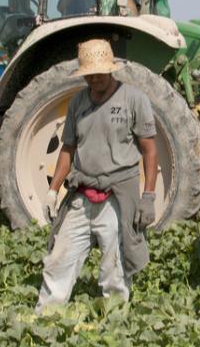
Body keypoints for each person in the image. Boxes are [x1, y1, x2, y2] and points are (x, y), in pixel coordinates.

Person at [36, 38, 158, 311]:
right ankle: (46, 317)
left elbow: (150, 151)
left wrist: (148, 196)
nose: (94, 79)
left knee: (113, 265)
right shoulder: (78, 101)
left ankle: (114, 321)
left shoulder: (134, 100)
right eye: (88, 75)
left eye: (99, 74)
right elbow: (68, 148)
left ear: (110, 69)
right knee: (58, 259)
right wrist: (53, 190)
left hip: (116, 194)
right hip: (82, 193)